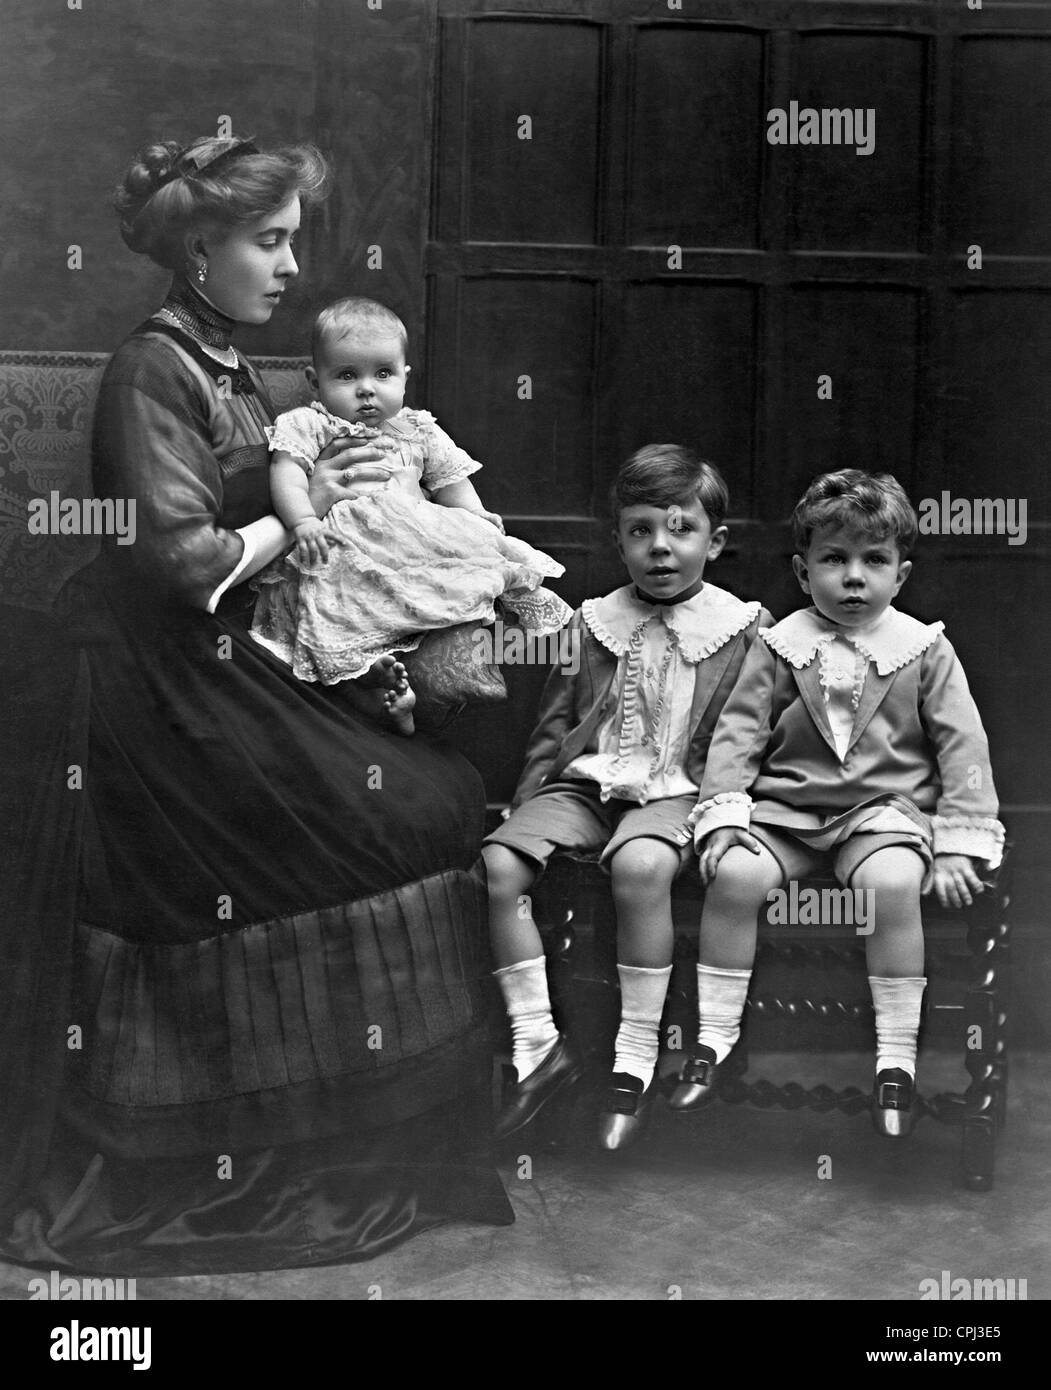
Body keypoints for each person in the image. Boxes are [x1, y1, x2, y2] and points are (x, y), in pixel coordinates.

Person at [0, 134, 513, 1276]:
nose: (290, 267)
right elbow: (181, 562)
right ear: (199, 252)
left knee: (435, 793)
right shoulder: (154, 368)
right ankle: (246, 1135)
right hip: (142, 674)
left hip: (216, 650)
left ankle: (357, 1130)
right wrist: (304, 510)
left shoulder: (223, 360)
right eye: (268, 242)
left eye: (292, 240)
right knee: (389, 818)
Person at [676, 470, 1005, 1135]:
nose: (852, 577)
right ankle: (712, 1038)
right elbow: (738, 733)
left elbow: (962, 748)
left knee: (890, 887)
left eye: (872, 560)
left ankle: (895, 1058)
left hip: (882, 814)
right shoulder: (777, 646)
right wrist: (723, 815)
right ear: (802, 573)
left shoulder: (924, 648)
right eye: (833, 559)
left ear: (900, 573)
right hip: (787, 814)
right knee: (735, 878)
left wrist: (955, 842)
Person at [482, 446, 771, 1151]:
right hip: (588, 783)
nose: (660, 548)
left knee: (638, 869)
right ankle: (537, 1044)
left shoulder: (742, 630)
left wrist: (722, 810)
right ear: (617, 540)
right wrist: (527, 810)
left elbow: (744, 738)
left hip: (675, 790)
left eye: (679, 530)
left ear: (715, 541)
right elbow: (554, 728)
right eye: (640, 531)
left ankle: (634, 1058)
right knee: (497, 866)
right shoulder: (592, 621)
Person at [250, 296, 571, 730]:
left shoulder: (412, 427)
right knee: (342, 610)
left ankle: (422, 693)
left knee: (452, 589)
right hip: (347, 545)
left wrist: (475, 514)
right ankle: (376, 689)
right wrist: (304, 520)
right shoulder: (313, 424)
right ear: (314, 380)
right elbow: (287, 473)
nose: (366, 388)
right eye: (346, 375)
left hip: (412, 544)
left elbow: (449, 479)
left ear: (405, 376)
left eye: (382, 373)